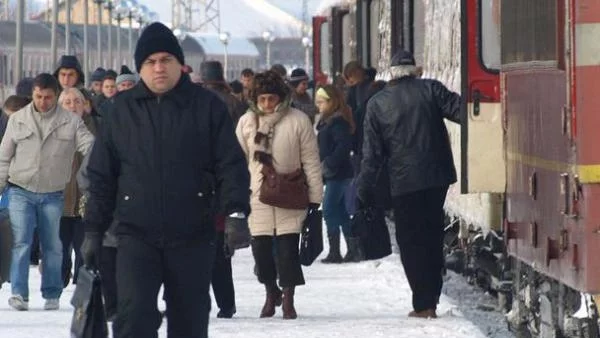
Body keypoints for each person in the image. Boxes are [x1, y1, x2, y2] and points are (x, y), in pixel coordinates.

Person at [80, 22, 251, 337]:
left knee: (189, 319)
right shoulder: (120, 112)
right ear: (140, 67)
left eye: (165, 60)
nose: (158, 68)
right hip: (134, 234)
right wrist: (93, 230)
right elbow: (102, 176)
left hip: (192, 233)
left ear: (179, 64)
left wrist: (236, 213)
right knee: (133, 317)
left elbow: (231, 165)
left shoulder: (206, 107)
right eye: (150, 62)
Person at [356, 51, 461, 319]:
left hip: (403, 182)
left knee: (410, 240)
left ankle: (423, 302)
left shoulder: (377, 104)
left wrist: (364, 188)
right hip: (436, 178)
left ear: (391, 73)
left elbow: (372, 155)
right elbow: (462, 112)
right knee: (433, 234)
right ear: (415, 70)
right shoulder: (431, 89)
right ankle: (432, 298)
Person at [0, 73, 94, 311]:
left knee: (52, 244)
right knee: (21, 241)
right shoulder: (18, 119)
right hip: (20, 188)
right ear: (33, 94)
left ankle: (52, 292)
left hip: (53, 193)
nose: (42, 101)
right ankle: (19, 293)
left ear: (56, 96)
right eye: (38, 96)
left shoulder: (70, 122)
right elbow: (4, 156)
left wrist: (95, 168)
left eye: (48, 97)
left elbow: (89, 145)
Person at [235, 70, 323, 319]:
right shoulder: (247, 122)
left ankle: (288, 298)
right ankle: (270, 290)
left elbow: (311, 161)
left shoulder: (298, 121)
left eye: (271, 98)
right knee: (261, 253)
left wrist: (315, 197)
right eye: (261, 99)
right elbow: (237, 161)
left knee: (287, 252)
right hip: (257, 196)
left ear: (280, 97)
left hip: (291, 194)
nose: (266, 104)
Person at [314, 85, 359, 263]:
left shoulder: (338, 121)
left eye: (321, 102)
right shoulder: (329, 120)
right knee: (340, 211)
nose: (318, 105)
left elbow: (343, 146)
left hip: (338, 173)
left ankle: (335, 252)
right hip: (335, 173)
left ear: (331, 101)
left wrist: (329, 163)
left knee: (329, 209)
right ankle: (352, 250)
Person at [57, 88, 91, 287]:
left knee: (84, 248)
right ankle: (58, 281)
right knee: (59, 248)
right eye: (67, 102)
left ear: (84, 105)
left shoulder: (96, 127)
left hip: (86, 200)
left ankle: (82, 284)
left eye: (77, 101)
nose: (73, 106)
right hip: (59, 198)